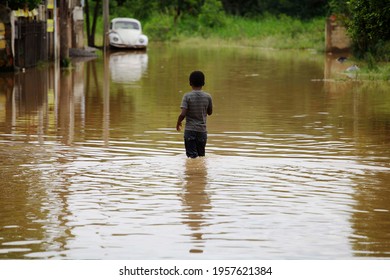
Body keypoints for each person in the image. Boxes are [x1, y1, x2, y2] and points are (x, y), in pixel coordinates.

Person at [176, 71, 213, 158]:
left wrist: (178, 122)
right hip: (202, 131)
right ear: (203, 83)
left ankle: (192, 171)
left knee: (192, 157)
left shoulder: (187, 96)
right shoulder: (208, 97)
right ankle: (200, 171)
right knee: (201, 157)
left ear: (190, 83)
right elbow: (210, 112)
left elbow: (183, 114)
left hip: (190, 130)